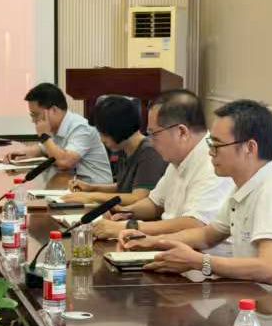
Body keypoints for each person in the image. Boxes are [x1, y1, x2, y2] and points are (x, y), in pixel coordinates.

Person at [123, 98, 272, 316]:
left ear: (249, 147)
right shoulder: (242, 187)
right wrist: (152, 242)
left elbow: (269, 269)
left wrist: (200, 262)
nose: (210, 152)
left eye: (217, 145)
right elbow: (207, 235)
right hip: (255, 303)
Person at [92, 89, 231, 238]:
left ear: (181, 132)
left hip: (195, 251)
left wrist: (129, 226)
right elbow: (155, 203)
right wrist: (124, 212)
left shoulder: (213, 163)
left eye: (154, 134)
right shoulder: (178, 158)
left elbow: (195, 223)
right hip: (170, 244)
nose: (151, 141)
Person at [0, 82, 114, 185]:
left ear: (53, 110)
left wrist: (44, 137)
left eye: (36, 115)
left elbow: (65, 162)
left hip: (95, 191)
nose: (33, 120)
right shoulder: (55, 127)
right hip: (72, 186)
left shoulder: (81, 128)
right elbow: (41, 149)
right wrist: (21, 154)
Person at [62, 95, 169, 202]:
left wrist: (91, 196)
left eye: (103, 134)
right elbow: (123, 187)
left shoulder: (149, 152)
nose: (102, 140)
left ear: (117, 129)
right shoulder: (124, 149)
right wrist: (92, 188)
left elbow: (138, 197)